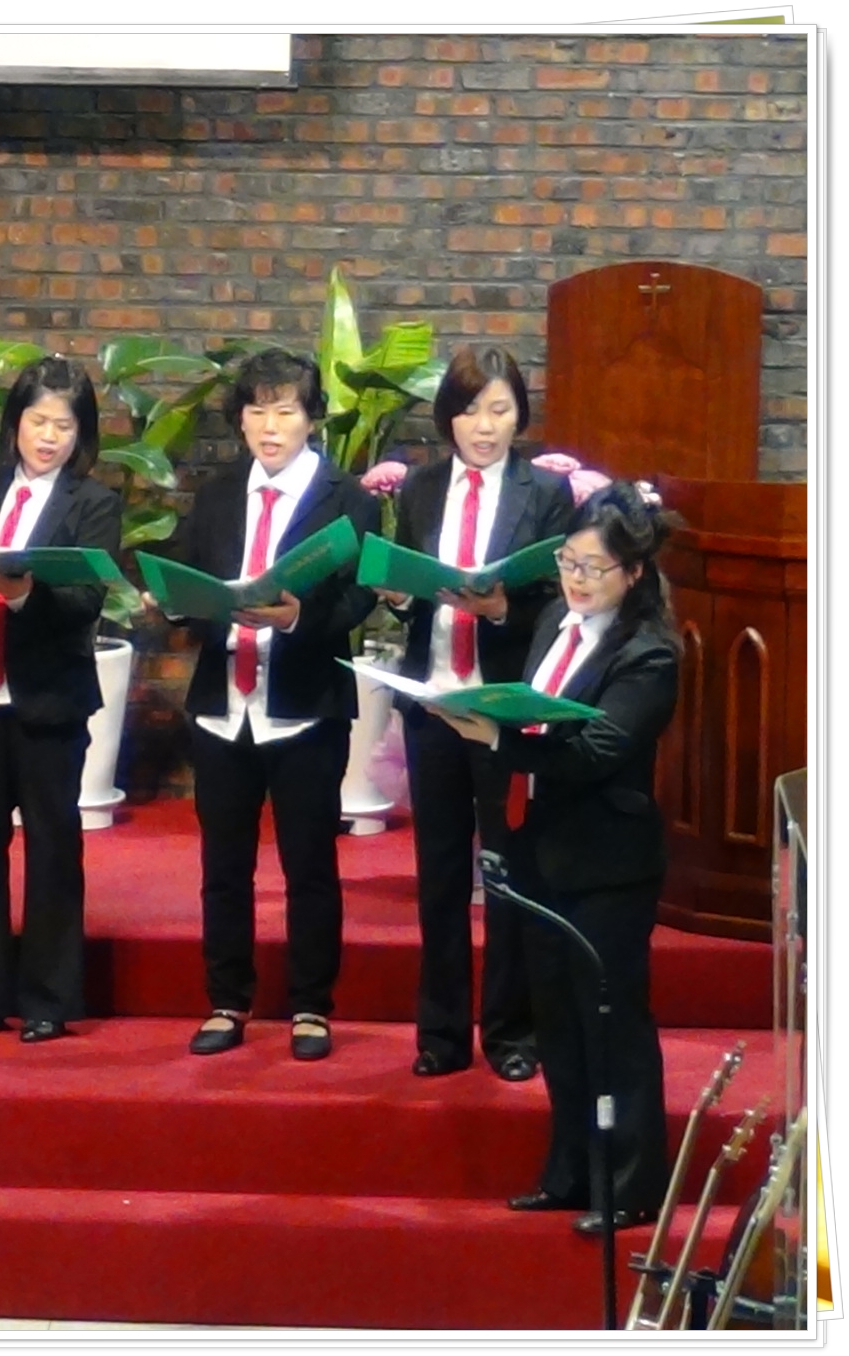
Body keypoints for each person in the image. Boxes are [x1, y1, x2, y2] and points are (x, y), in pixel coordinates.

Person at [437, 482, 678, 1236]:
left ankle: (631, 1185)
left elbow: (598, 750)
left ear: (632, 574)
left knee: (609, 1022)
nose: (576, 579)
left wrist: (496, 737)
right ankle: (570, 1172)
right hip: (539, 846)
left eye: (594, 568)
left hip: (608, 862)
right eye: (569, 562)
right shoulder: (553, 622)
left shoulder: (649, 654)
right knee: (557, 1021)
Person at [141, 348, 378, 1061]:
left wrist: (299, 616)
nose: (269, 426)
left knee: (309, 865)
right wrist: (169, 599)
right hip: (225, 705)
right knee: (224, 866)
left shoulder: (348, 498)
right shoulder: (218, 495)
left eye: (285, 411)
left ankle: (311, 1007)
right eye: (256, 411)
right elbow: (189, 574)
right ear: (239, 419)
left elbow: (359, 597)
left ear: (312, 419)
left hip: (304, 707)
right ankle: (227, 999)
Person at [380, 346, 570, 1082]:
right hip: (432, 703)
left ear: (519, 415)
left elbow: (559, 603)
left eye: (499, 410)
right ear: (447, 419)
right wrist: (399, 595)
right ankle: (442, 1034)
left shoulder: (545, 492)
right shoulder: (422, 488)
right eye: (469, 411)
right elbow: (406, 583)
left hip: (499, 710)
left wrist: (500, 609)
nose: (484, 427)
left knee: (508, 872)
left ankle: (512, 1033)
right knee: (438, 876)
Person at [0, 358, 121, 1043]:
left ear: (82, 434)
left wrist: (22, 594)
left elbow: (85, 601)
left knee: (51, 847)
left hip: (49, 698)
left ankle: (49, 997)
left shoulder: (93, 502)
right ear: (14, 423)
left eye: (63, 426)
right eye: (38, 421)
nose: (48, 437)